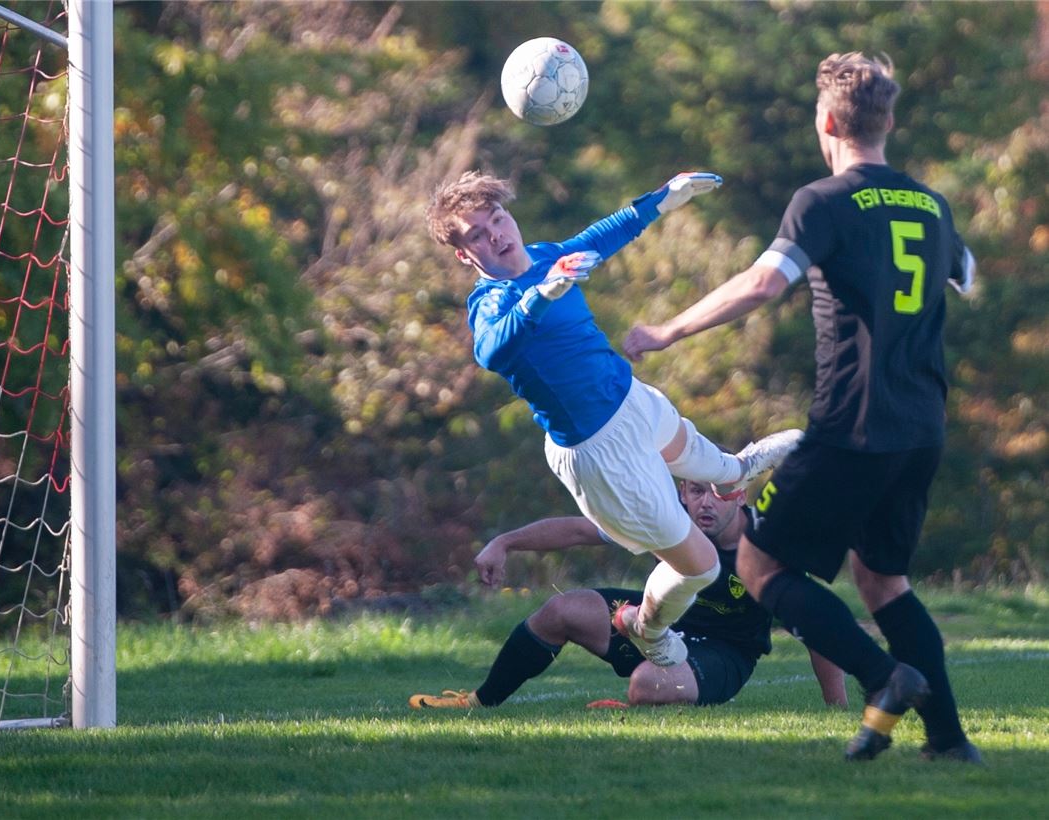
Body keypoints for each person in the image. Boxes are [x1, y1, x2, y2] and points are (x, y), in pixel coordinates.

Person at [622, 53, 979, 763]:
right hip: (921, 426)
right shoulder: (931, 205)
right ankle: (948, 742)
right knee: (883, 581)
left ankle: (883, 677)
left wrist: (667, 331)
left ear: (828, 124)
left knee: (759, 564)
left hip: (853, 424)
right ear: (888, 122)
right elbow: (965, 276)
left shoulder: (823, 201)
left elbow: (762, 284)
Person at [425, 170, 802, 670]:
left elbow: (600, 237)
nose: (495, 234)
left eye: (497, 218)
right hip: (599, 451)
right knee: (703, 568)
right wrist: (542, 295)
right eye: (476, 234)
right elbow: (492, 351)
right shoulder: (490, 301)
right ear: (463, 254)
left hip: (632, 401)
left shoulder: (544, 256)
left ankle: (738, 469)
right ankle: (647, 628)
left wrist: (662, 200)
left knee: (719, 469)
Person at [409, 480, 847, 710]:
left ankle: (657, 693)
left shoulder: (771, 544)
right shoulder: (668, 520)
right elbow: (580, 530)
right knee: (561, 609)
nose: (706, 503)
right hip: (653, 624)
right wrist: (504, 542)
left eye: (717, 491)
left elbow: (813, 626)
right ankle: (478, 702)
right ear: (682, 493)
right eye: (696, 491)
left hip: (724, 653)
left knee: (645, 685)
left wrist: (836, 708)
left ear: (739, 493)